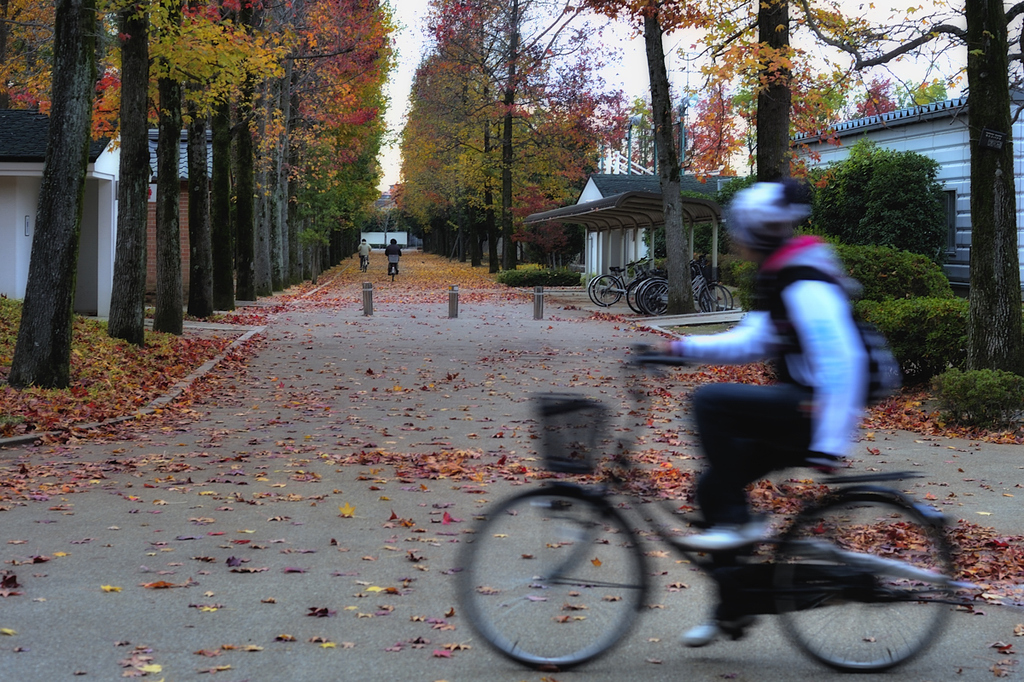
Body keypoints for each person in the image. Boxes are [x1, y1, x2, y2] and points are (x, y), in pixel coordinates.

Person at [651, 180, 869, 647]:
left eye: (739, 229)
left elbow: (843, 358)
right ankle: (734, 605)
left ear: (757, 231)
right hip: (801, 406)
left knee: (710, 401)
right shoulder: (782, 273)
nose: (735, 239)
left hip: (813, 410)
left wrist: (831, 443)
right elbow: (752, 341)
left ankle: (738, 523)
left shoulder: (803, 279)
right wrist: (680, 348)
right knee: (711, 486)